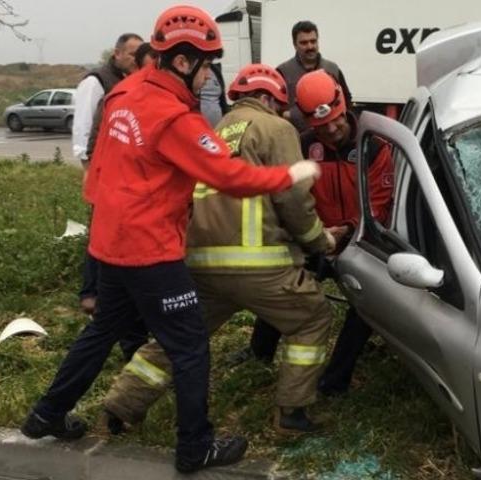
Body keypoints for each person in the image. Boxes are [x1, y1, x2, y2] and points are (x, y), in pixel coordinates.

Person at [20, 6, 321, 474]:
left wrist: (104, 218)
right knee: (189, 345)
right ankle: (195, 446)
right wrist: (292, 172)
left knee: (101, 331)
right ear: (184, 62)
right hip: (150, 249)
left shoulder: (123, 92)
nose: (208, 80)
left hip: (108, 240)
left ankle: (47, 413)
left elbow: (98, 166)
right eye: (207, 68)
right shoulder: (173, 117)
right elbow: (228, 175)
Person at [102, 63, 338, 435]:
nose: (280, 112)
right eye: (278, 104)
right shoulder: (276, 128)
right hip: (260, 266)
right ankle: (293, 413)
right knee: (312, 318)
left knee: (180, 334)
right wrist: (320, 241)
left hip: (201, 262)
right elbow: (292, 198)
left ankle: (122, 405)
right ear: (267, 98)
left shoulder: (214, 130)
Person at [246, 70, 394, 396]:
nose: (330, 130)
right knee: (281, 284)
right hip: (319, 236)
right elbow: (297, 197)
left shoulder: (374, 145)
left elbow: (381, 203)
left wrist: (352, 229)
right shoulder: (302, 146)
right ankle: (258, 352)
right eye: (321, 126)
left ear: (344, 105)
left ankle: (335, 381)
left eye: (336, 121)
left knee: (365, 307)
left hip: (361, 240)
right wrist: (315, 234)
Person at [73, 32, 142, 317]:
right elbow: (84, 126)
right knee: (99, 231)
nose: (135, 58)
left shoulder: (130, 79)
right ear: (117, 54)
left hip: (119, 170)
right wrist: (87, 168)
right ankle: (90, 292)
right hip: (100, 167)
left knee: (113, 231)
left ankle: (110, 291)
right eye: (131, 53)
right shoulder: (96, 82)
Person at [277, 21, 352, 132]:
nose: (310, 46)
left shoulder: (332, 69)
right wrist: (293, 115)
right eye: (304, 43)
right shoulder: (282, 72)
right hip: (296, 137)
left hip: (328, 135)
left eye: (313, 41)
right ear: (294, 44)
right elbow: (276, 111)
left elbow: (347, 101)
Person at [200, 63, 230, 127]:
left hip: (218, 129)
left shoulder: (215, 70)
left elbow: (222, 99)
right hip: (198, 129)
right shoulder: (190, 70)